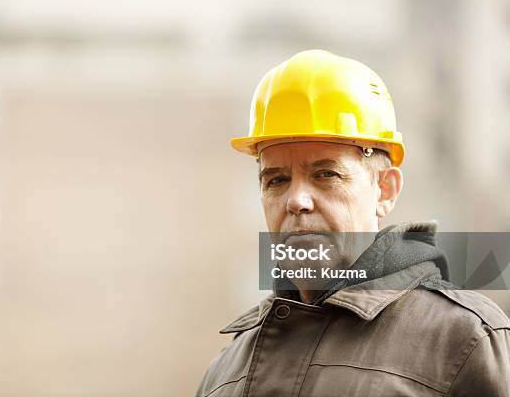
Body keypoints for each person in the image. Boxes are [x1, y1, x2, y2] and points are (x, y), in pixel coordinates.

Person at [196, 50, 510, 396]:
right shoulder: (226, 371)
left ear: (385, 190)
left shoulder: (467, 342)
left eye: (326, 174)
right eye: (276, 180)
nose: (296, 201)